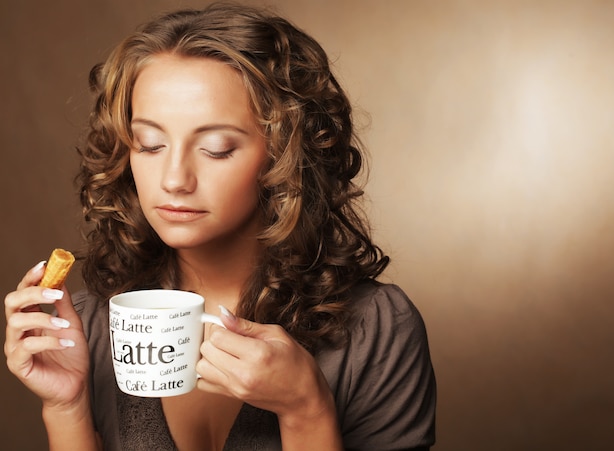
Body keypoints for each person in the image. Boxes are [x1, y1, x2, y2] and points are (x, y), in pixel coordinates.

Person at [4, 2, 436, 450]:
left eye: (215, 148)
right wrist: (65, 407)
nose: (173, 180)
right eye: (149, 144)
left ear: (285, 157)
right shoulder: (92, 324)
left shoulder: (377, 327)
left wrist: (307, 408)